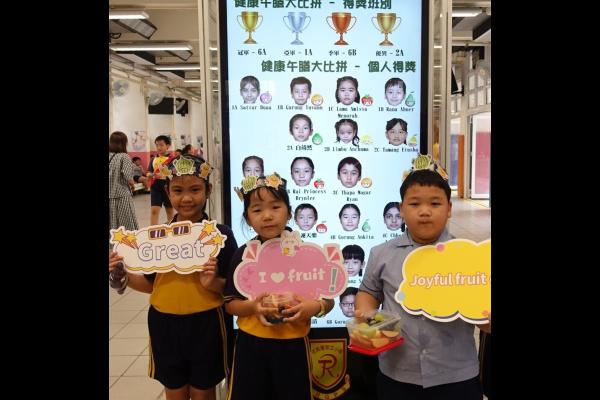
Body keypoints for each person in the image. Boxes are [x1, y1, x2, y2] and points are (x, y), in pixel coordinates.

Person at [355, 160, 490, 400]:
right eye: (415, 203)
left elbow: (482, 311)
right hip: (397, 373)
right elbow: (368, 292)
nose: (425, 211)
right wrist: (366, 312)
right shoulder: (381, 254)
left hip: (456, 374)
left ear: (449, 208)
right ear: (401, 208)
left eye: (435, 203)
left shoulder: (468, 257)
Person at [109, 155, 239, 400]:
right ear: (167, 192)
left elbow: (234, 288)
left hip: (208, 323)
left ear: (208, 190)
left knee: (203, 393)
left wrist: (213, 283)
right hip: (163, 324)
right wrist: (122, 275)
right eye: (178, 190)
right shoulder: (156, 238)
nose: (186, 198)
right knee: (174, 392)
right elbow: (151, 284)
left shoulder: (220, 236)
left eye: (195, 189)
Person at [223, 173, 334, 400]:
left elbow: (329, 300)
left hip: (294, 344)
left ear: (289, 212)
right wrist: (253, 307)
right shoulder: (244, 255)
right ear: (247, 218)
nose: (267, 216)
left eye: (275, 207)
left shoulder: (306, 253)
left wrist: (313, 307)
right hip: (251, 344)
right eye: (257, 210)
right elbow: (230, 304)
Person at [109, 131, 139, 231]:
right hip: (122, 196)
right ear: (123, 143)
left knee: (112, 224)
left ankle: (112, 241)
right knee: (126, 224)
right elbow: (128, 176)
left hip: (110, 196)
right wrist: (133, 185)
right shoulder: (124, 156)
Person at [147, 135, 175, 225]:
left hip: (168, 186)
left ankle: (171, 228)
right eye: (157, 145)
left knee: (169, 210)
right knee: (154, 210)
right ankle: (153, 229)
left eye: (161, 145)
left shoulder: (173, 160)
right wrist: (149, 175)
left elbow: (175, 173)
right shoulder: (153, 159)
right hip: (155, 187)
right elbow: (149, 171)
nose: (159, 147)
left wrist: (163, 175)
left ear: (168, 146)